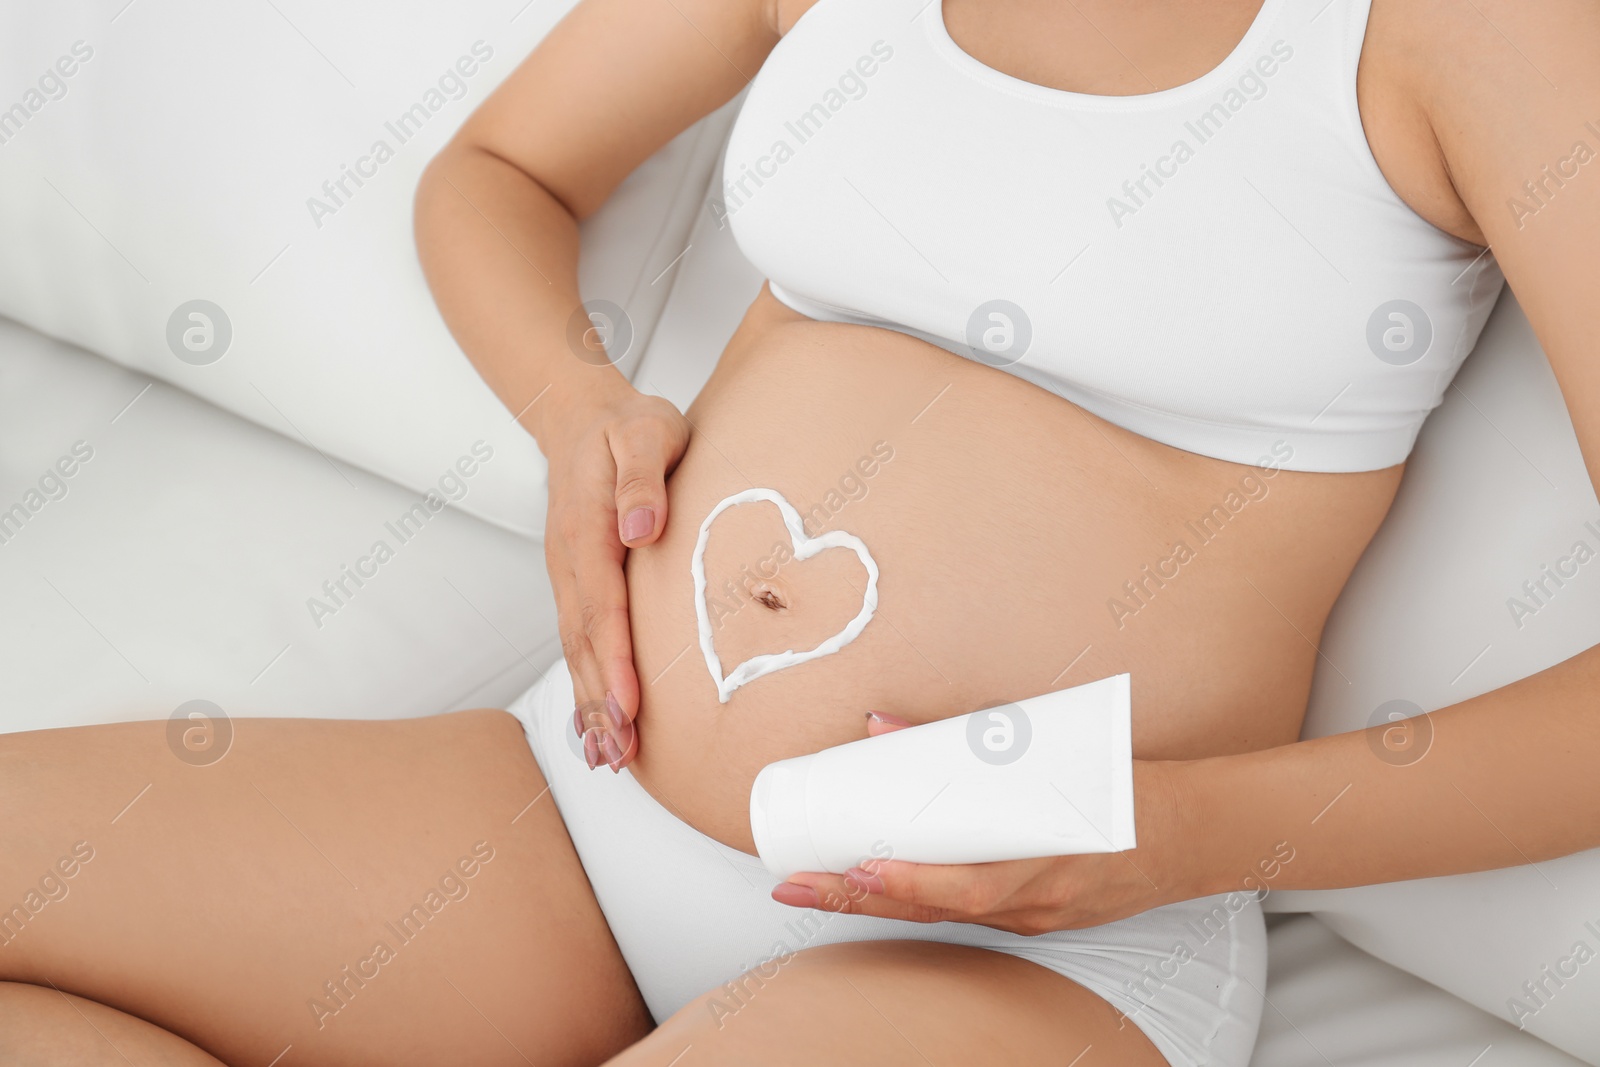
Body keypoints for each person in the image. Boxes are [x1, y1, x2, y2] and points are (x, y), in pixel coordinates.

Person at [3, 1, 1597, 1065]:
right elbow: (494, 171)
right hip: (579, 814)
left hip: (1019, 967)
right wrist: (579, 411)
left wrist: (1172, 834)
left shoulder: (1472, 36)